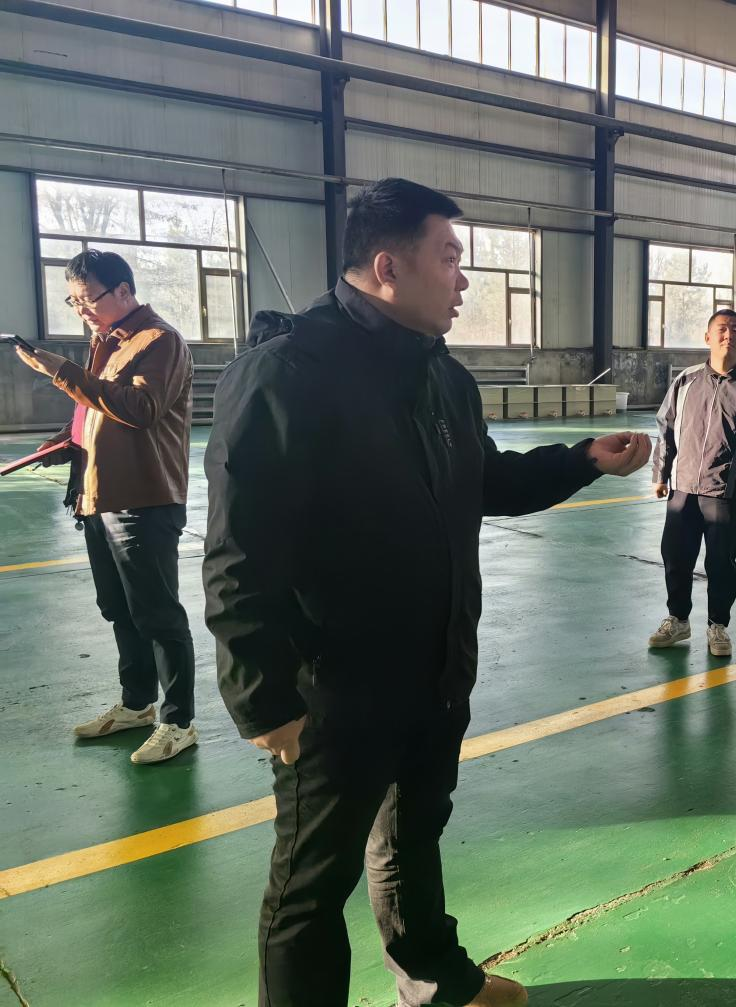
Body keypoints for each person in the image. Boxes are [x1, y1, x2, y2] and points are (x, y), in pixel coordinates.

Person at [202, 177, 651, 1007]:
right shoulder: (286, 375)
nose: (462, 278)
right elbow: (239, 553)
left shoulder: (443, 378)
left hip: (435, 671)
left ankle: (439, 982)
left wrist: (583, 458)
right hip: (334, 691)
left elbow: (484, 480)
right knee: (309, 885)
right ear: (388, 267)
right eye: (448, 257)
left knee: (413, 836)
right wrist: (262, 697)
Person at [14, 249, 197, 765]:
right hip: (99, 495)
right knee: (120, 608)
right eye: (73, 302)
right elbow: (98, 408)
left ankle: (179, 721)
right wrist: (69, 438)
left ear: (123, 290)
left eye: (88, 299)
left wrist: (62, 371)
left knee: (157, 613)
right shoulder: (106, 342)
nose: (82, 310)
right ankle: (137, 704)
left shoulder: (159, 341)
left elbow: (140, 409)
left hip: (143, 498)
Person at [647, 309, 736, 658]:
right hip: (683, 487)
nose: (728, 335)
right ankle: (678, 620)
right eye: (721, 329)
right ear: (707, 337)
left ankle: (718, 625)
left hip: (727, 491)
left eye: (735, 329)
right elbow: (666, 427)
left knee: (721, 562)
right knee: (676, 557)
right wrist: (661, 473)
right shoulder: (686, 381)